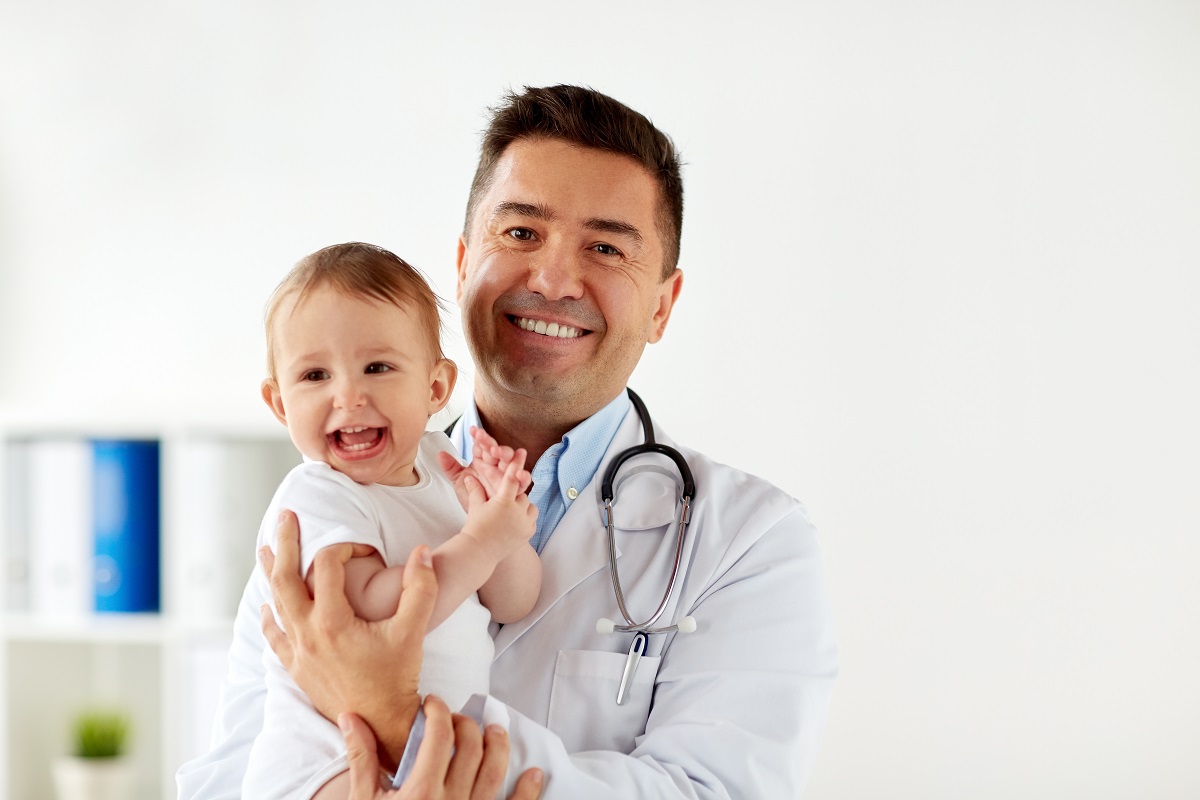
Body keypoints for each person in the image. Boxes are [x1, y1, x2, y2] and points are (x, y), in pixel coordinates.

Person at [182, 84, 838, 799]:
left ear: (661, 305)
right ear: (463, 264)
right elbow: (229, 778)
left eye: (606, 247)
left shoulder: (750, 541)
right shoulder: (333, 501)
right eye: (521, 233)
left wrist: (398, 717)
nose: (554, 279)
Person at [182, 243, 542, 799]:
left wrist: (502, 527)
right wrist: (479, 541)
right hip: (322, 762)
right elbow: (374, 616)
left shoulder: (443, 470)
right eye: (315, 376)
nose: (348, 395)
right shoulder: (315, 496)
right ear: (280, 405)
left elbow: (515, 602)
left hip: (423, 751)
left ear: (436, 388)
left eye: (377, 367)